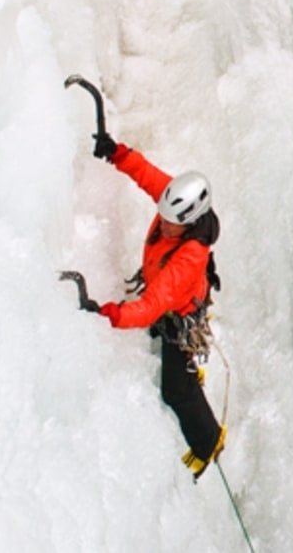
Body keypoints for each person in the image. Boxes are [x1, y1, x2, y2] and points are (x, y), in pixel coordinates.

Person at [91, 129, 226, 480]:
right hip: (172, 301)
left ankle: (208, 441)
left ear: (191, 221)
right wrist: (118, 154)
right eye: (163, 218)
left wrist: (115, 314)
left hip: (179, 313)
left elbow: (153, 305)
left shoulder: (189, 259)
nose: (163, 225)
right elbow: (149, 177)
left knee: (175, 391)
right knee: (172, 361)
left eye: (171, 224)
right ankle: (190, 372)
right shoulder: (175, 205)